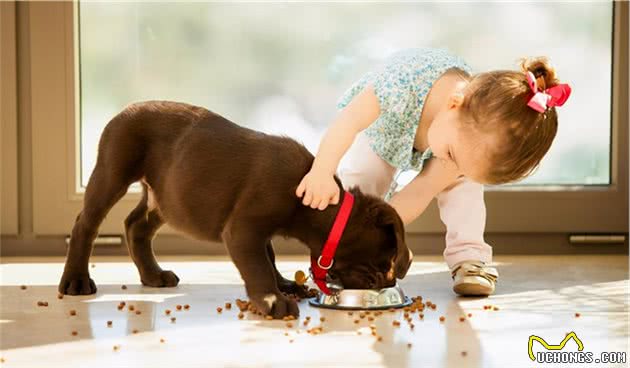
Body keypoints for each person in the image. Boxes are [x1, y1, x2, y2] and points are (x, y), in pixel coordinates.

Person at [295, 47, 571, 296]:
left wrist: (389, 238)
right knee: (363, 179)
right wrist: (322, 170)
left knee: (464, 189)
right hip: (384, 130)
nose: (453, 166)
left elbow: (421, 190)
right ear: (453, 104)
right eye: (453, 156)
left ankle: (470, 257)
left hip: (448, 135)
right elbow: (348, 122)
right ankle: (344, 256)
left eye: (463, 164)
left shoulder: (464, 137)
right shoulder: (399, 86)